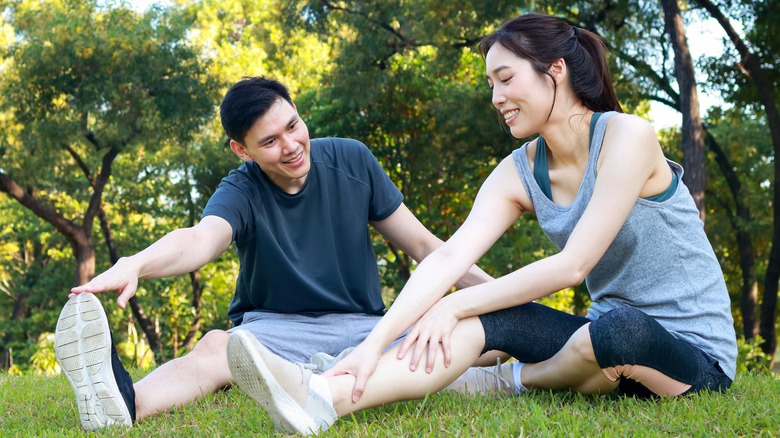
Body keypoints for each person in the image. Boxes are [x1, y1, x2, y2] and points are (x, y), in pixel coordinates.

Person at [224, 13, 738, 436]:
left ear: (554, 70)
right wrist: (372, 345)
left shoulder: (628, 136)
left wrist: (452, 302)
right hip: (605, 338)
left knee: (614, 331)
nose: (496, 97)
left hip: (691, 356)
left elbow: (573, 264)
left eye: (506, 79)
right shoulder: (519, 170)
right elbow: (447, 256)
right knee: (495, 319)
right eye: (491, 83)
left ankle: (513, 379)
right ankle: (322, 397)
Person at [53, 76, 495, 430]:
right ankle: (124, 404)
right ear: (241, 150)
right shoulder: (241, 189)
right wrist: (136, 264)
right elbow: (200, 239)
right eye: (269, 142)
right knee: (216, 349)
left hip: (366, 326)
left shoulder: (352, 160)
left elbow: (426, 247)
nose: (291, 145)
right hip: (275, 332)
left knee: (480, 339)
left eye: (293, 125)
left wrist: (506, 296)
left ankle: (337, 371)